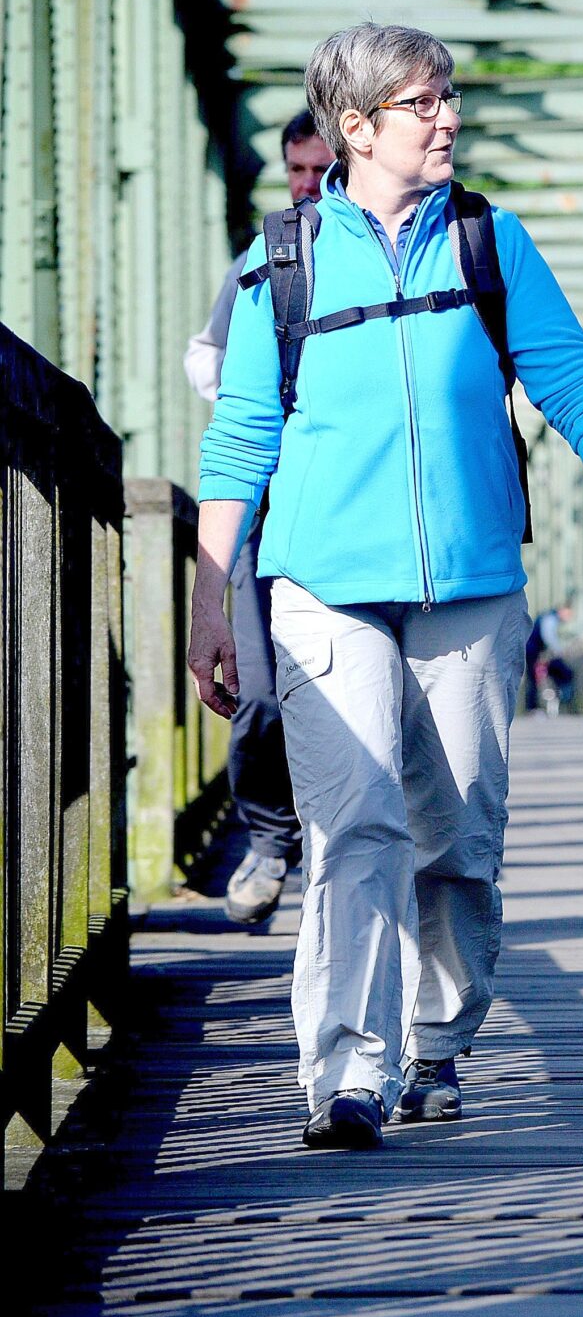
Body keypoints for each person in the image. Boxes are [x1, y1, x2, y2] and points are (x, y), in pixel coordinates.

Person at [189, 22, 583, 1152]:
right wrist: (213, 598)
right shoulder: (280, 264)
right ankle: (346, 1074)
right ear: (356, 128)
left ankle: (439, 1043)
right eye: (421, 104)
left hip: (469, 587)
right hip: (321, 589)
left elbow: (576, 383)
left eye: (447, 97)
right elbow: (242, 438)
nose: (446, 117)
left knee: (455, 837)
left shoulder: (489, 243)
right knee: (355, 823)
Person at [186, 109, 333, 927]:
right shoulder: (268, 255)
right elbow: (203, 356)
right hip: (265, 509)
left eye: (321, 169)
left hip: (345, 508)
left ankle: (332, 847)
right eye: (297, 170)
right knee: (257, 692)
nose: (308, 185)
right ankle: (272, 840)